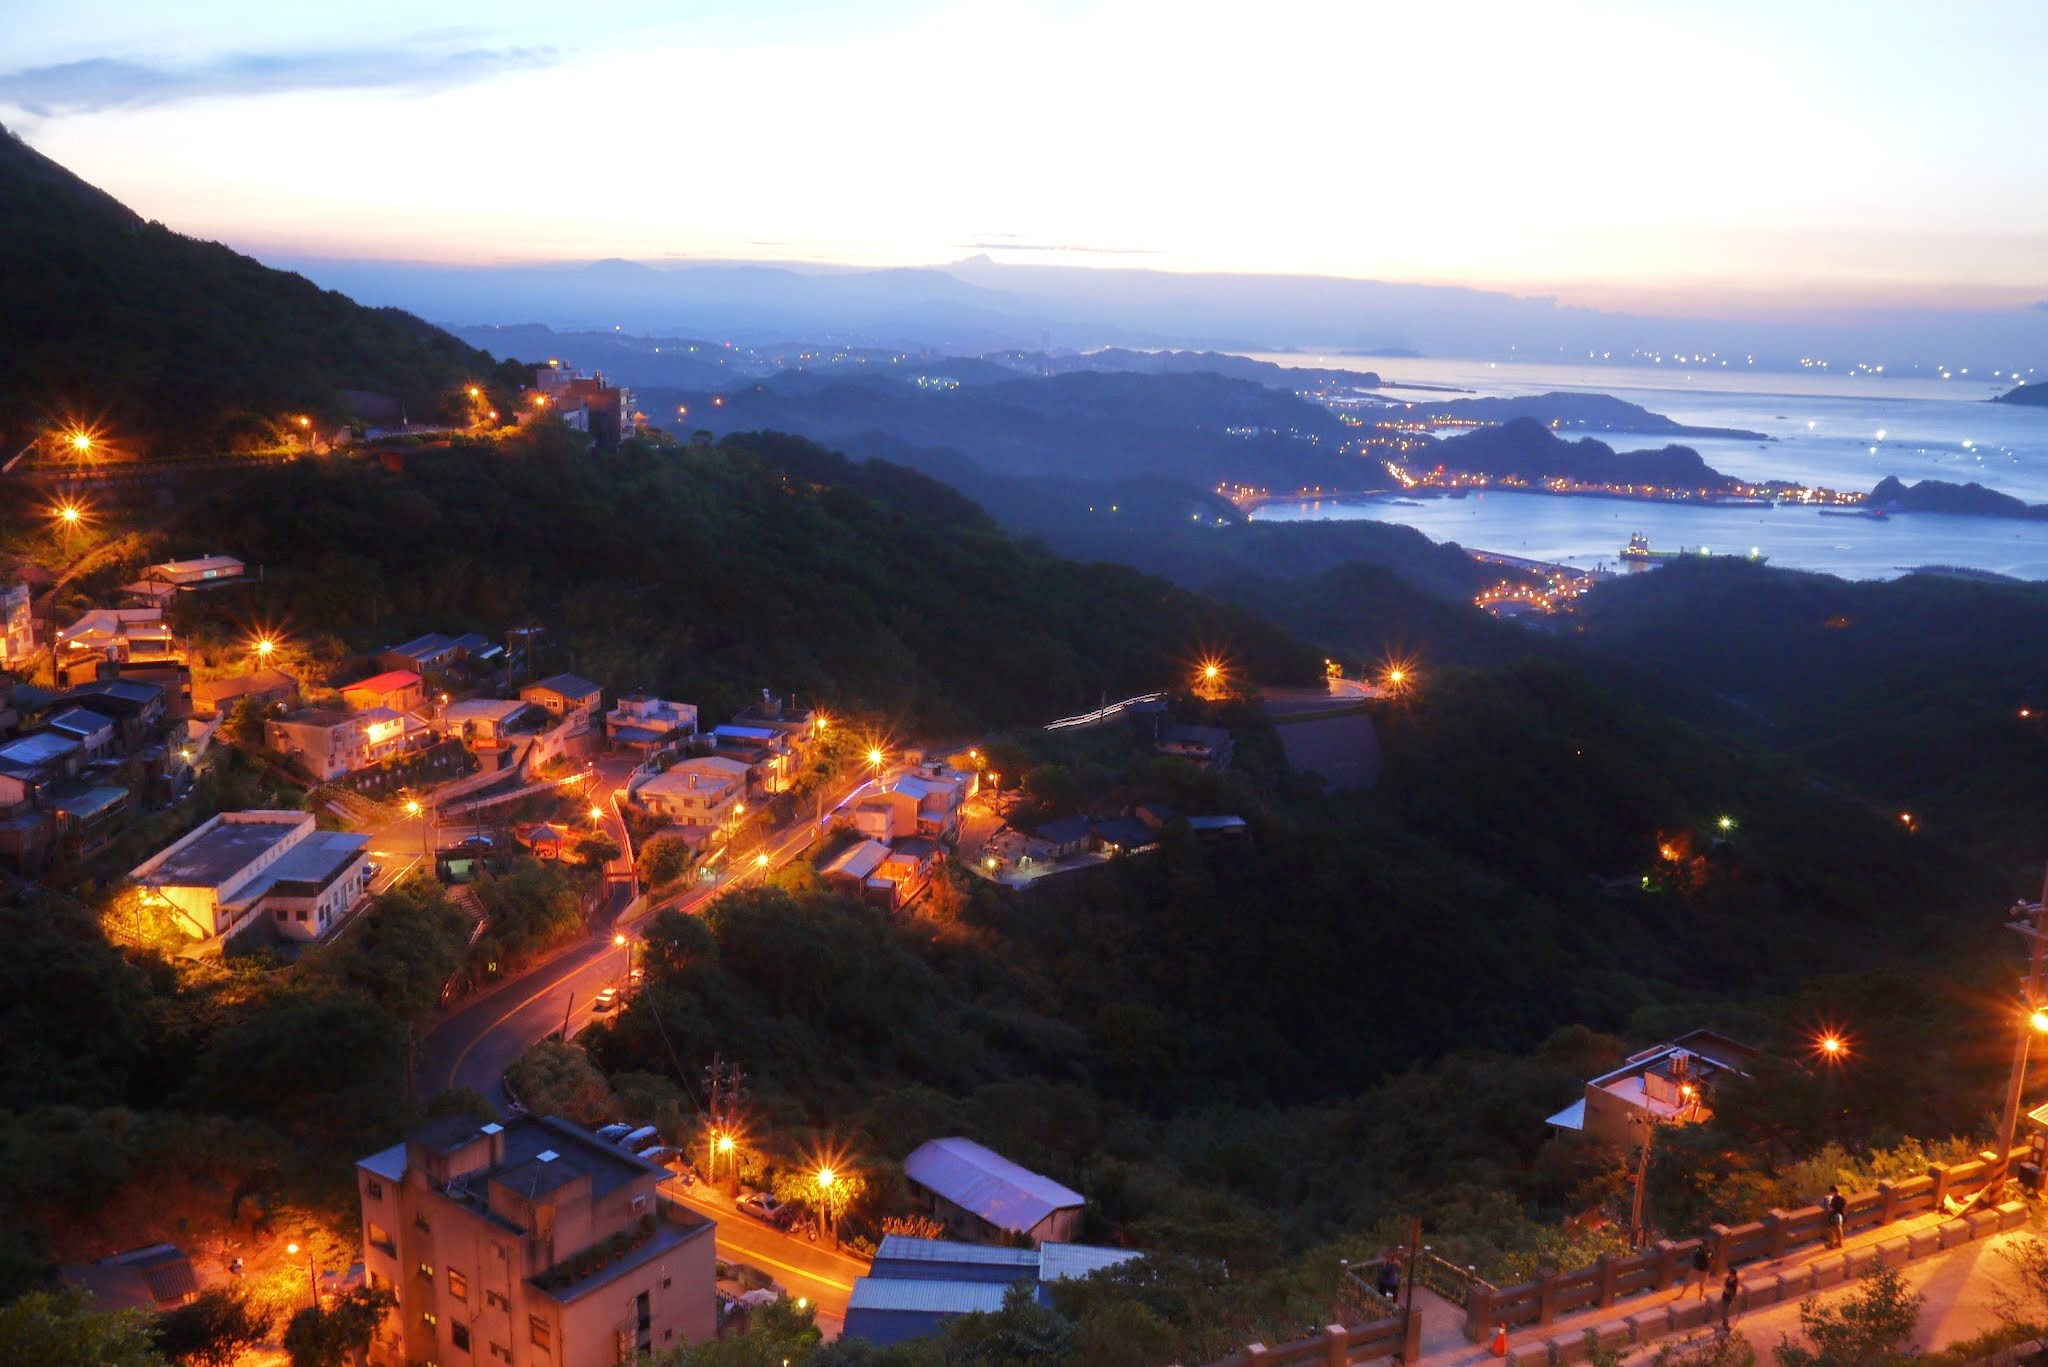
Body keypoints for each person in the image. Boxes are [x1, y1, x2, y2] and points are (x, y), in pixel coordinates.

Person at [1719, 1266, 1741, 1331]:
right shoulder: (1728, 1278)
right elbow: (1725, 1285)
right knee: (1723, 1312)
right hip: (1724, 1296)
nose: (1729, 1274)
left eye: (1730, 1273)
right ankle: (1724, 1324)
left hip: (1728, 1298)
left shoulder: (1734, 1282)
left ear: (1733, 1274)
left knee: (1724, 1313)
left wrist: (1726, 1289)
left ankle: (1726, 1326)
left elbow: (1731, 1291)